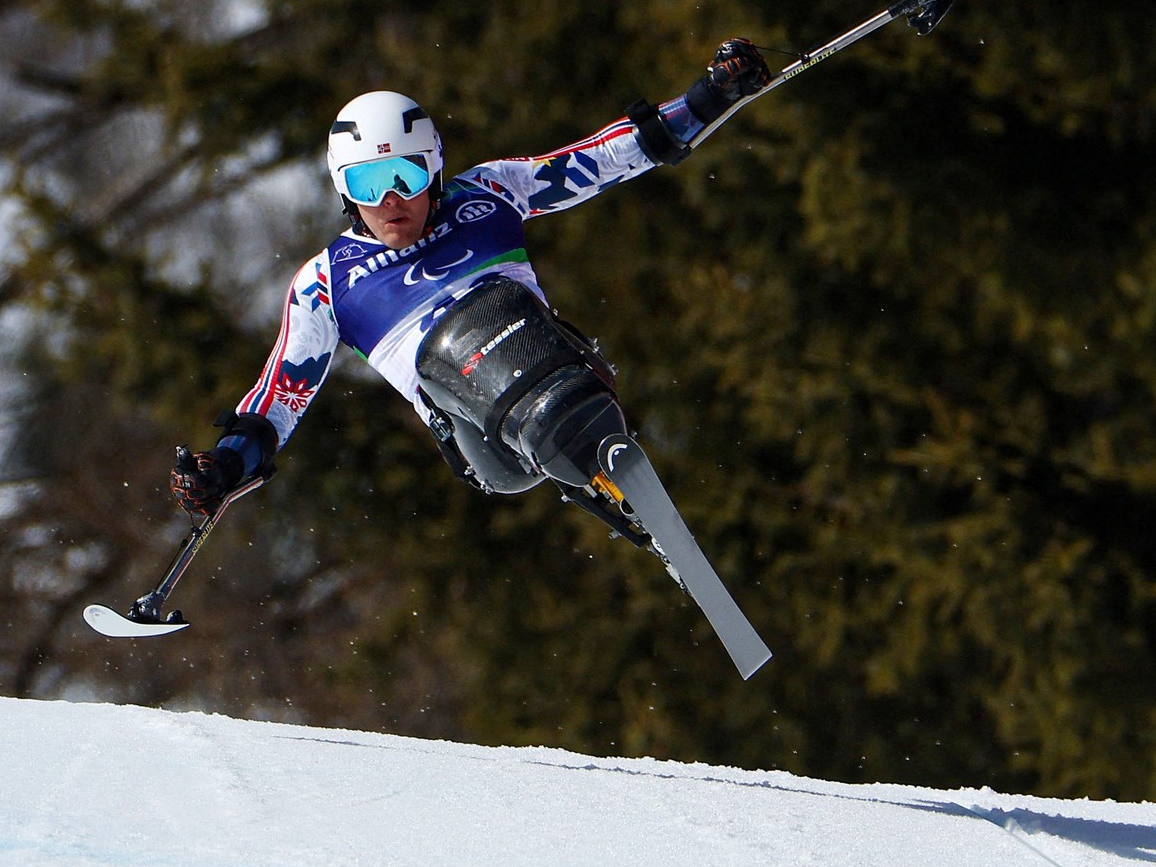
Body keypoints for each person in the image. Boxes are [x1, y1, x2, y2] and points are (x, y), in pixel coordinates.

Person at [170, 39, 771, 538]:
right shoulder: (325, 283)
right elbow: (282, 395)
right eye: (370, 182)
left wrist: (709, 96)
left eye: (405, 176)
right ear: (343, 189)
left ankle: (581, 436)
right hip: (479, 435)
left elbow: (601, 159)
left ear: (433, 170)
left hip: (551, 364)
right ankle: (558, 435)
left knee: (502, 307)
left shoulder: (487, 194)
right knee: (459, 341)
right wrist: (225, 465)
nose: (391, 201)